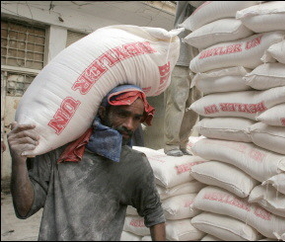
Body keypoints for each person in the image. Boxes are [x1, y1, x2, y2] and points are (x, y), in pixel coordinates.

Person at [7, 84, 166, 241]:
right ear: (103, 112)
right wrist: (18, 161)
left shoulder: (134, 164)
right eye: (122, 114)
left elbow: (155, 215)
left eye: (137, 118)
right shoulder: (58, 151)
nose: (130, 125)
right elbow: (24, 209)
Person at [164, 1, 202, 157]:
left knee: (193, 106)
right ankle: (171, 144)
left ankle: (182, 143)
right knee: (177, 102)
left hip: (200, 62)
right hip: (181, 58)